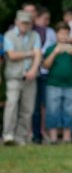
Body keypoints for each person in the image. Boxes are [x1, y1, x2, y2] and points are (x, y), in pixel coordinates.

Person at [2, 10, 42, 146]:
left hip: (30, 77)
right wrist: (29, 53)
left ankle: (21, 137)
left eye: (28, 23)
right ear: (16, 22)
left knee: (28, 109)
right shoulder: (9, 35)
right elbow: (11, 55)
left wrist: (33, 70)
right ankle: (8, 135)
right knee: (11, 106)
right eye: (23, 23)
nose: (25, 25)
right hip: (14, 77)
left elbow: (38, 55)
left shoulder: (35, 35)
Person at [42, 22, 72, 143]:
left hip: (71, 84)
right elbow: (46, 66)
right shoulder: (50, 48)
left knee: (69, 111)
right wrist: (55, 52)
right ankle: (53, 137)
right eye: (61, 33)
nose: (64, 36)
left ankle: (66, 137)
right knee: (52, 110)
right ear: (56, 35)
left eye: (66, 34)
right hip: (53, 84)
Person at [32, 5, 57, 144]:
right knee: (34, 106)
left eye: (48, 19)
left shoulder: (51, 32)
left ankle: (45, 132)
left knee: (45, 105)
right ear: (37, 18)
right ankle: (34, 133)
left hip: (47, 72)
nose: (47, 22)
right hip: (34, 72)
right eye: (44, 18)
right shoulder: (32, 32)